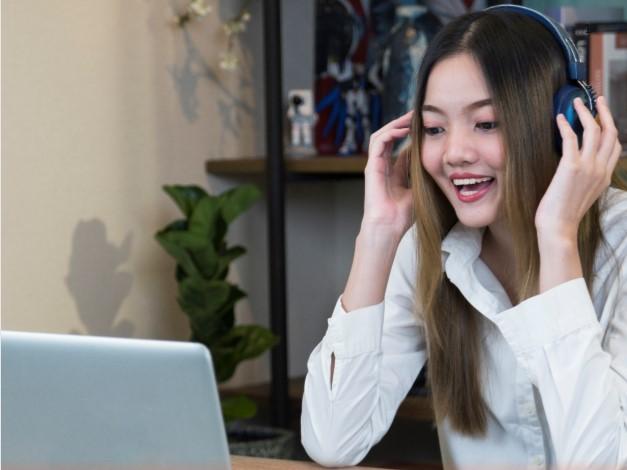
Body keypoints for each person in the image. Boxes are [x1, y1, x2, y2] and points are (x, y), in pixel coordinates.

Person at [301, 5, 626, 469]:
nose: (453, 153)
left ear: (565, 126)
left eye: (486, 123)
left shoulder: (623, 246)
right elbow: (333, 442)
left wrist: (557, 237)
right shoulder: (427, 249)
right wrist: (377, 233)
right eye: (434, 128)